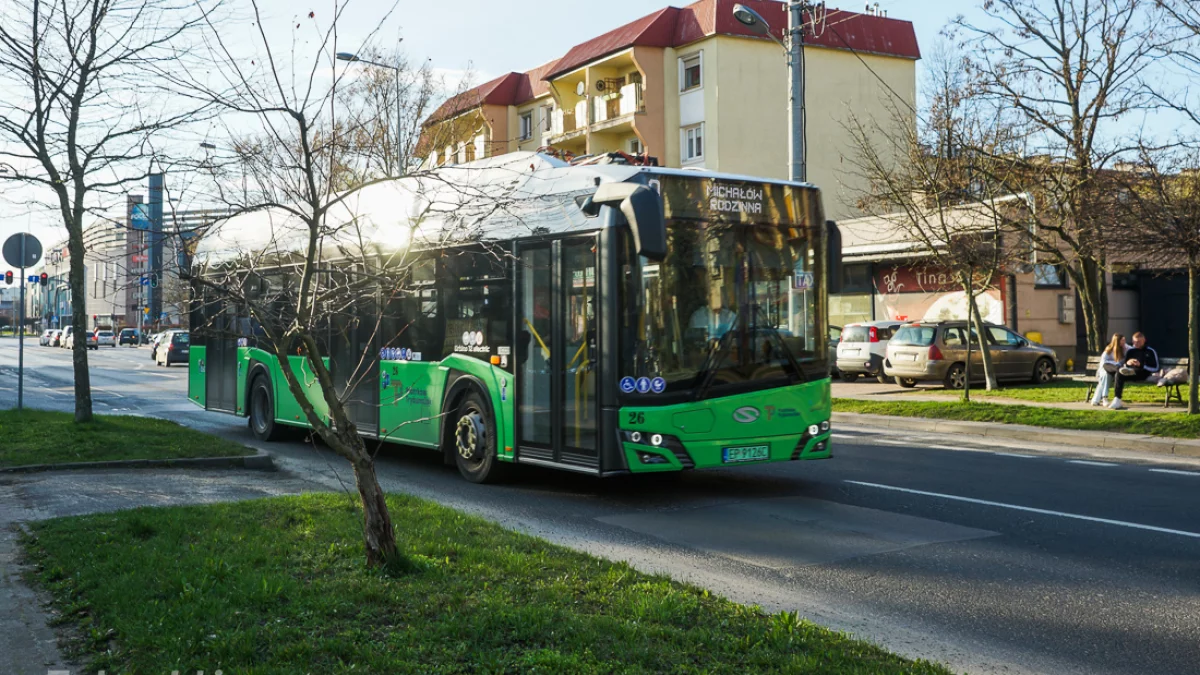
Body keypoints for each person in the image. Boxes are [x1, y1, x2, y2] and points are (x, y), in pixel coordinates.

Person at [1109, 331, 1160, 410]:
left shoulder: (1150, 351)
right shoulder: (1130, 351)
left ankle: (1131, 371)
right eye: (1134, 342)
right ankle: (1117, 399)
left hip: (1143, 373)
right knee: (1119, 373)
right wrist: (1128, 363)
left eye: (1139, 342)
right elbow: (1125, 363)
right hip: (1129, 371)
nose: (1136, 344)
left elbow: (1156, 368)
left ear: (1144, 340)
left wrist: (1141, 365)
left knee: (1137, 370)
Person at [1090, 333, 1125, 407]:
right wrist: (1115, 364)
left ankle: (1095, 400)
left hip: (1114, 372)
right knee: (1106, 375)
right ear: (1117, 341)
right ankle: (1105, 398)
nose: (1124, 342)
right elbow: (1104, 364)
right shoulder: (1108, 350)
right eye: (1122, 340)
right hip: (1103, 370)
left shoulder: (1124, 349)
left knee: (1105, 378)